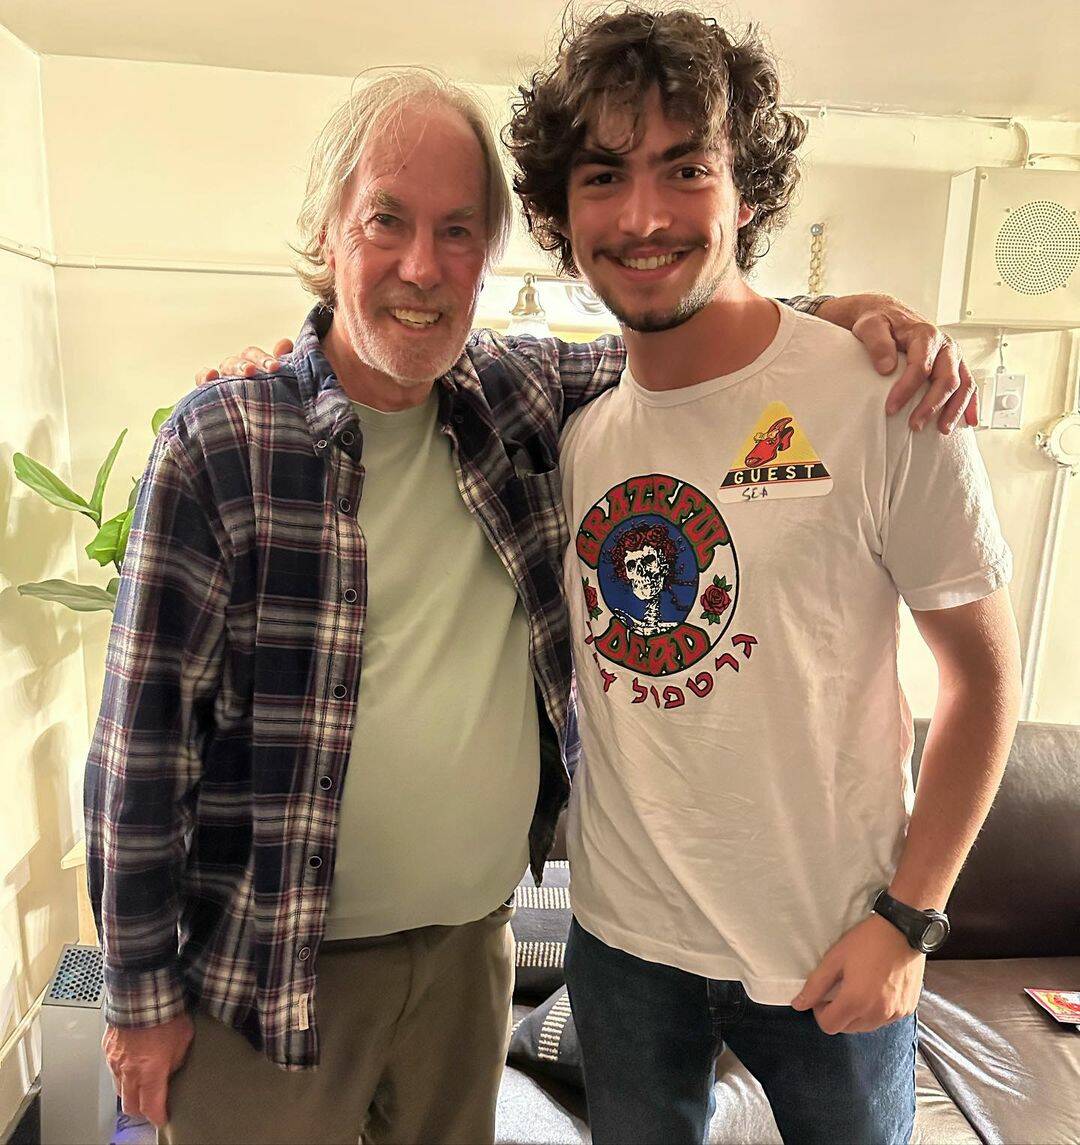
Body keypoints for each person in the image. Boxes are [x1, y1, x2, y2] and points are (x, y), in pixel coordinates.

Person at [92, 49, 976, 1145]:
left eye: (458, 229)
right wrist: (135, 998)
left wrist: (841, 314)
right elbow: (140, 752)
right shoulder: (224, 443)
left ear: (491, 252)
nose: (422, 264)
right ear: (327, 236)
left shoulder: (515, 398)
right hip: (272, 978)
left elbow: (700, 344)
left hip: (470, 959)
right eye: (387, 222)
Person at [498, 8, 1022, 1144]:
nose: (643, 216)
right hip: (623, 945)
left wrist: (910, 920)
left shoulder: (884, 396)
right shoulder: (580, 432)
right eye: (604, 175)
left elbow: (985, 682)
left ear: (748, 193)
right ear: (561, 212)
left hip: (837, 945)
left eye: (685, 167)